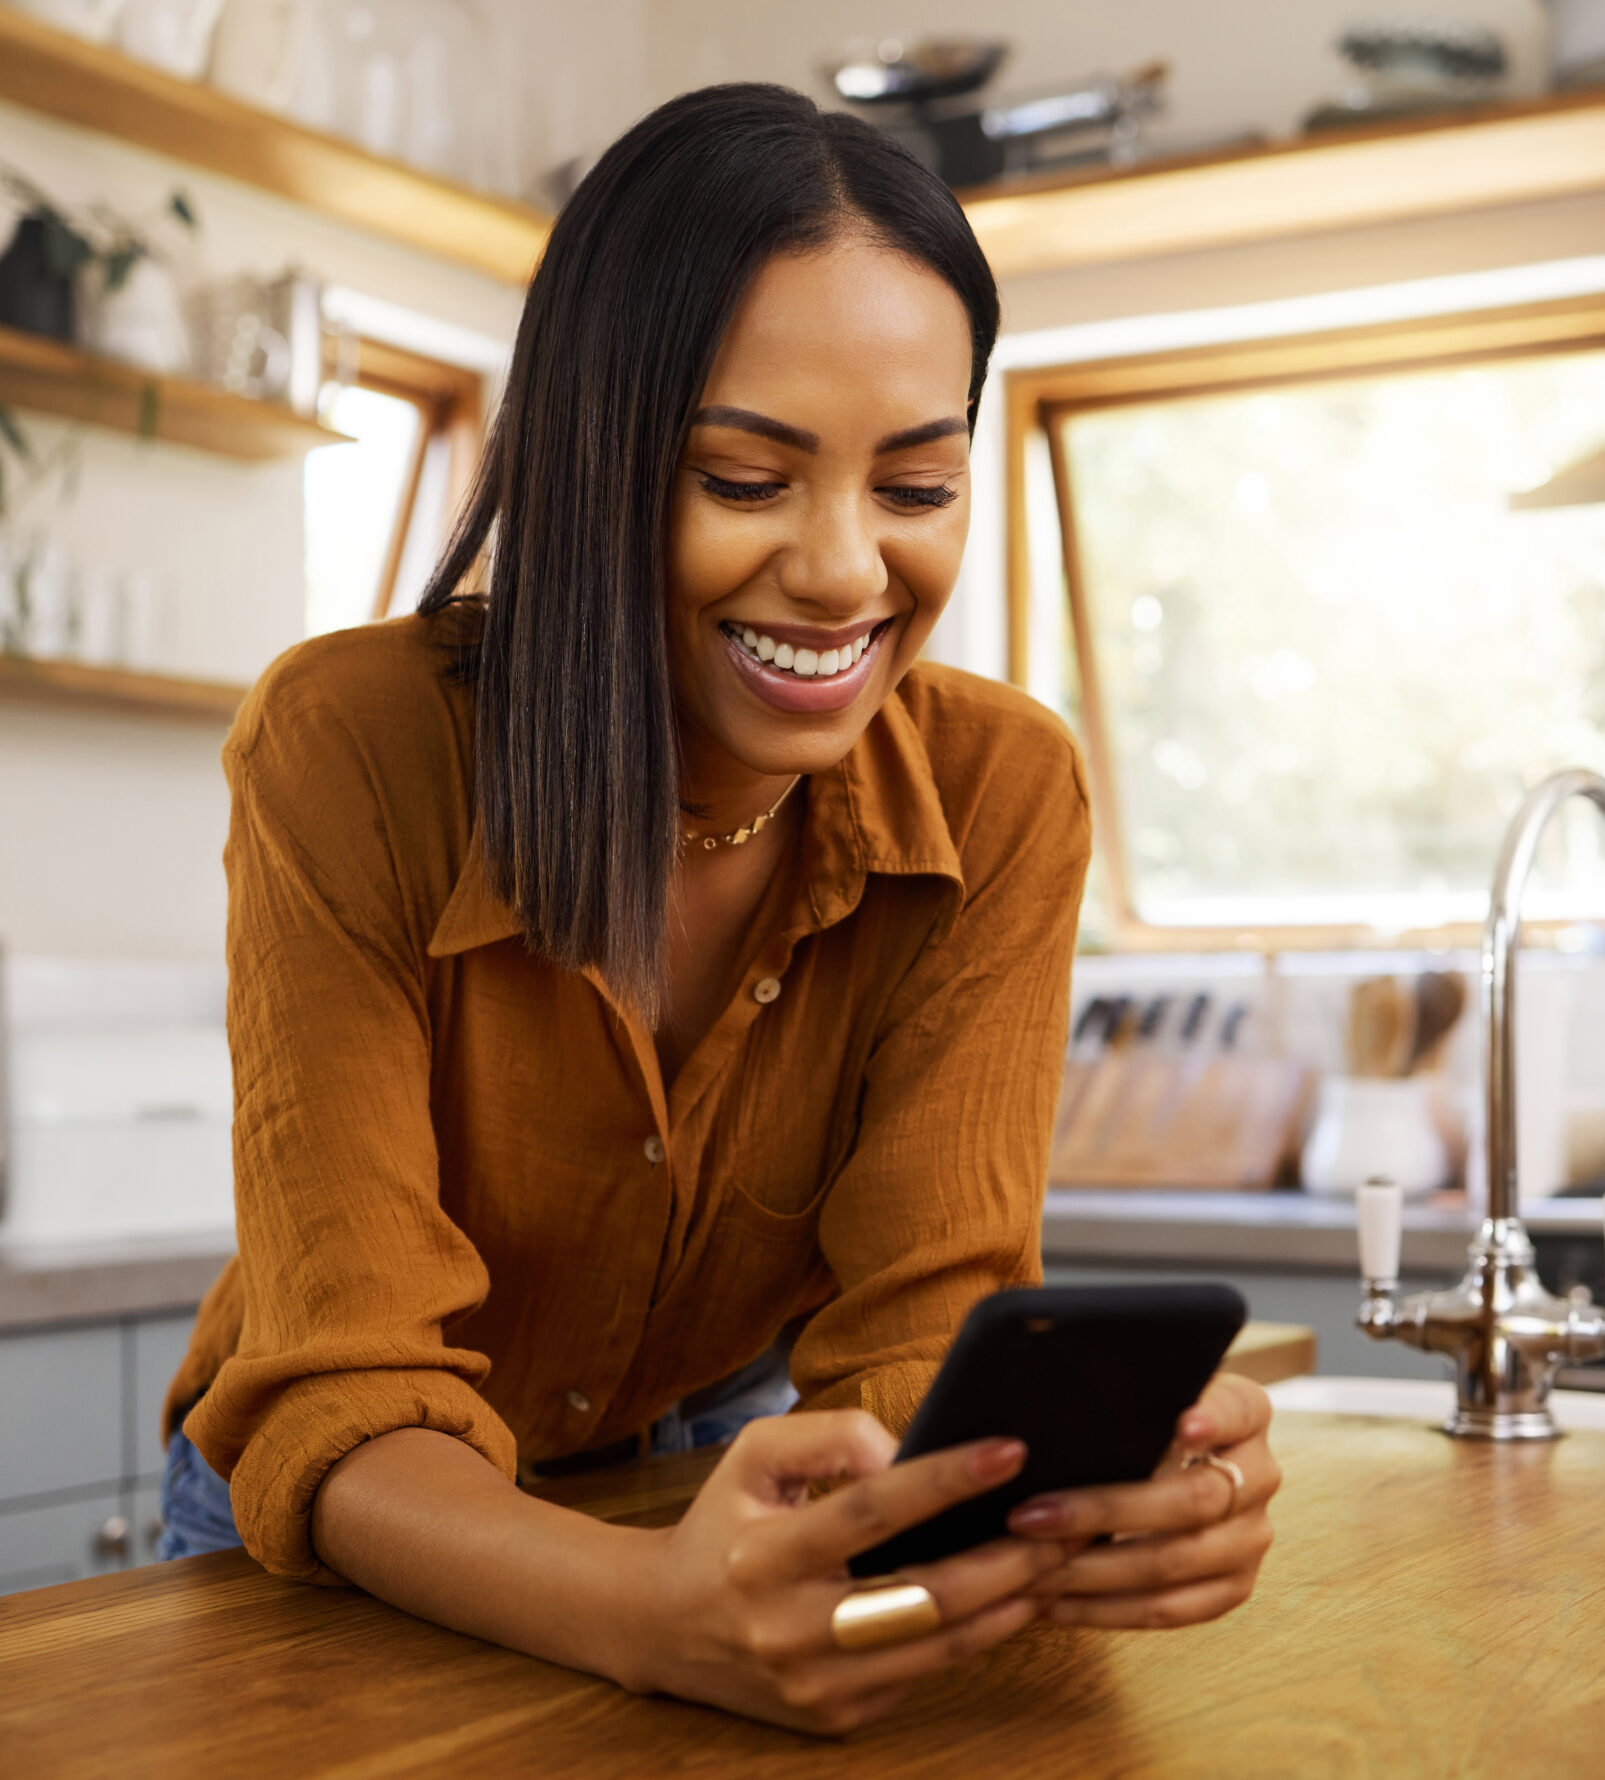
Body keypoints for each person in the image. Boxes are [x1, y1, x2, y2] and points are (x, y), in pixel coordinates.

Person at [157, 82, 1279, 1735]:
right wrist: (645, 1614)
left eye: (916, 489)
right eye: (746, 480)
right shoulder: (350, 745)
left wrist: (1066, 1516)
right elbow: (344, 1377)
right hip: (350, 1534)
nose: (843, 572)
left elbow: (922, 1333)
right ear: (590, 464)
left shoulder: (1003, 793)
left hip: (710, 1506)